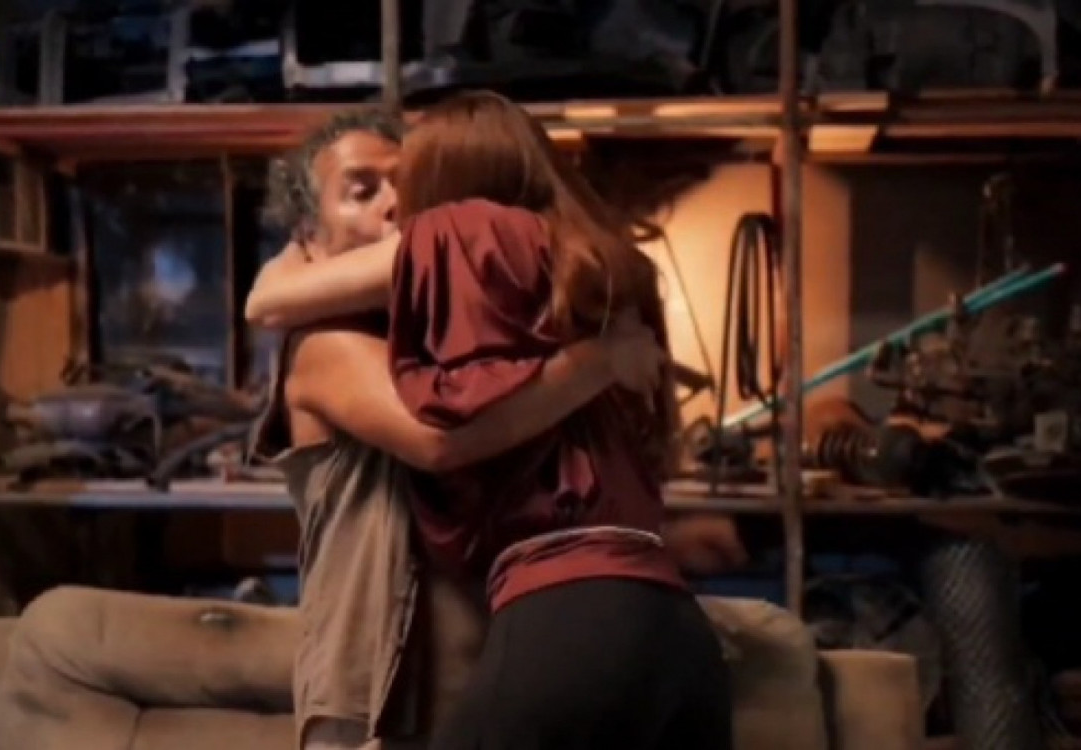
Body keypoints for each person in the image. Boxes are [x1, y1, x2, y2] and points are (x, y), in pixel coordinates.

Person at [248, 91, 733, 749]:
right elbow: (439, 442)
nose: (395, 204)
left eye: (407, 182)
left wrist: (654, 540)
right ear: (308, 238)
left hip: (489, 668)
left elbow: (538, 490)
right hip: (377, 695)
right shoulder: (329, 344)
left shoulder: (469, 338)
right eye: (362, 191)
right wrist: (597, 361)